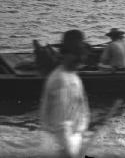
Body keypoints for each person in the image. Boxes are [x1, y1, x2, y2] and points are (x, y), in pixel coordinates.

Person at [39, 29, 91, 158]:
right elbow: (61, 126)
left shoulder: (73, 77)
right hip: (61, 148)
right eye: (76, 54)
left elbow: (83, 110)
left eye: (81, 55)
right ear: (65, 54)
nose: (80, 59)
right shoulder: (60, 81)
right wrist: (71, 152)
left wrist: (82, 134)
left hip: (71, 143)